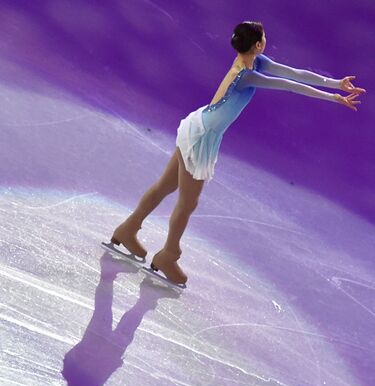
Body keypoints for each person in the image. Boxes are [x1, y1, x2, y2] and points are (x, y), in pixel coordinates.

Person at [110, 21, 365, 285]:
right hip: (201, 137)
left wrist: (337, 84)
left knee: (165, 187)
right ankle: (168, 255)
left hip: (201, 127)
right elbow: (289, 86)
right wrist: (334, 98)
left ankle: (128, 229)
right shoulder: (245, 74)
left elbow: (294, 74)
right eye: (264, 37)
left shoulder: (258, 62)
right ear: (257, 44)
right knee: (187, 202)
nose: (266, 40)